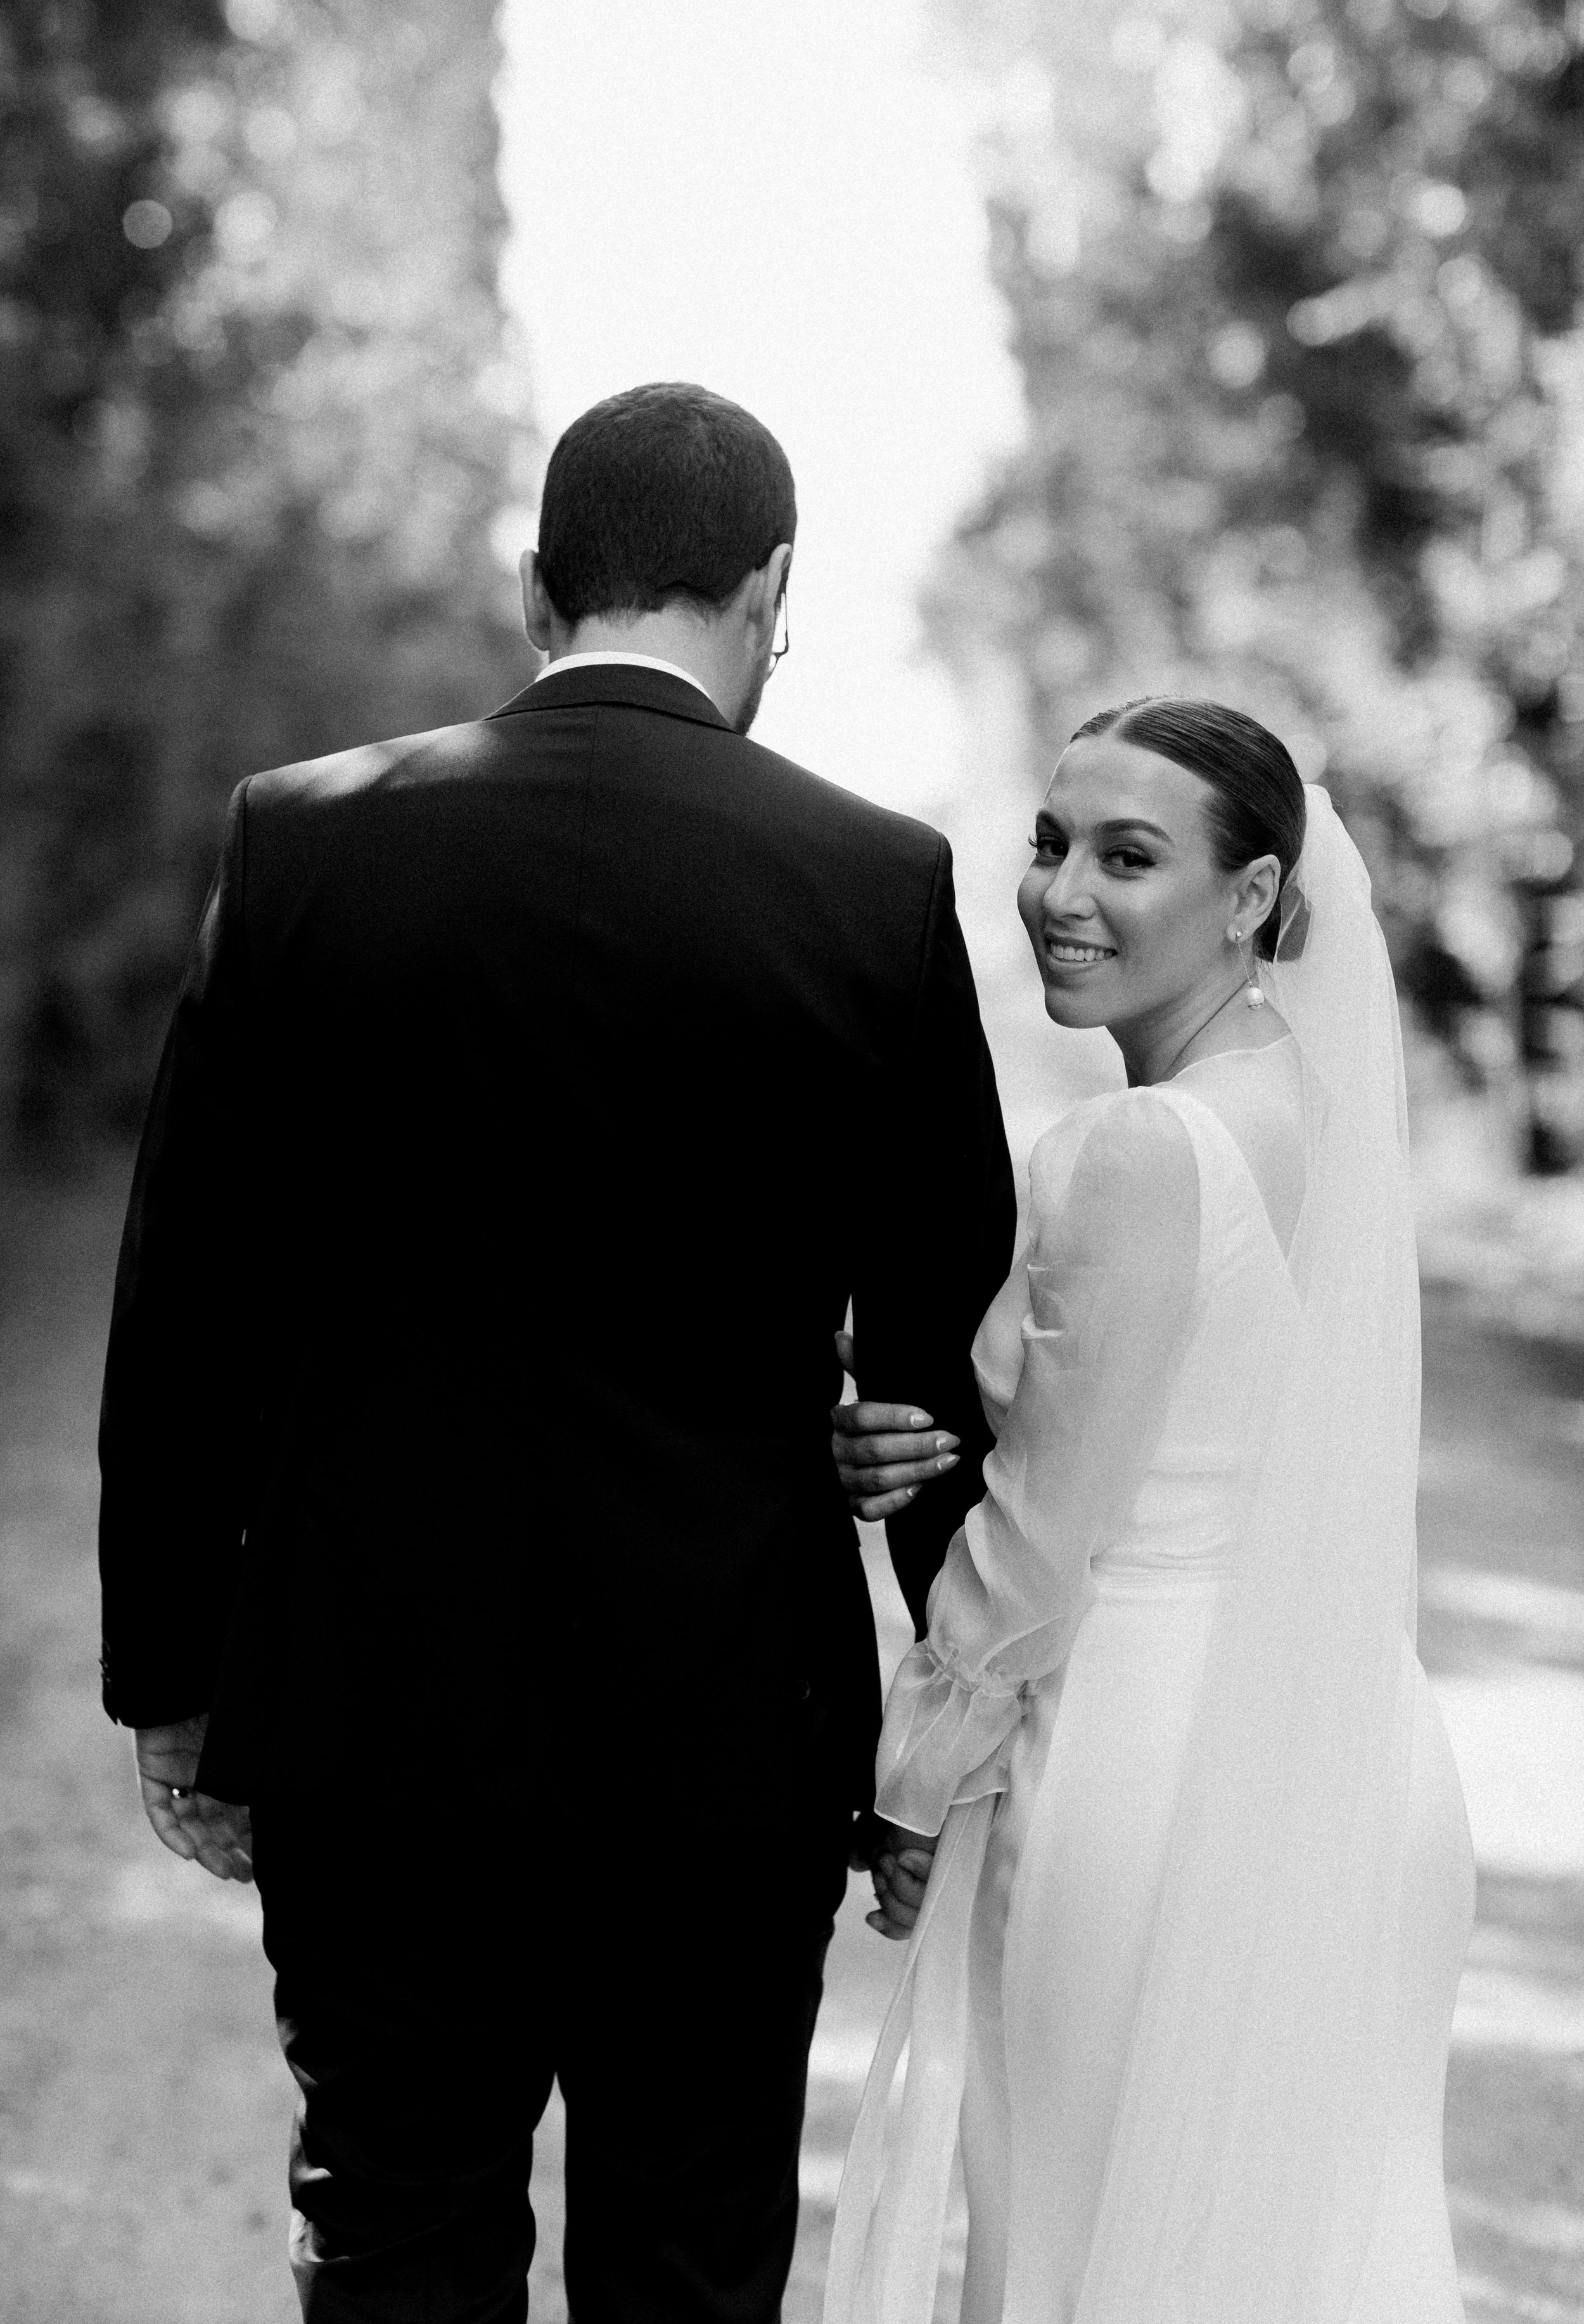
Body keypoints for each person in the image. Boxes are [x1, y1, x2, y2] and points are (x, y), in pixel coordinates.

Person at [97, 381, 1016, 2323]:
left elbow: (187, 1299)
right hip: (727, 1717)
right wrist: (951, 1705)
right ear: (771, 587)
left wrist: (174, 1675)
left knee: (397, 2225)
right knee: (687, 2257)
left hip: (372, 1704)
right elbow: (935, 1347)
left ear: (536, 585)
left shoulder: (305, 841)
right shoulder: (875, 881)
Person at [822, 698, 1476, 2324]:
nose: (1060, 894)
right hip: (1347, 1753)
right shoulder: (1324, 1115)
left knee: (1072, 2245)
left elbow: (1043, 1537)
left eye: (1127, 857)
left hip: (1144, 1763)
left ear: (1252, 898)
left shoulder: (1139, 1147)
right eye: (1049, 844)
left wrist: (911, 1781)